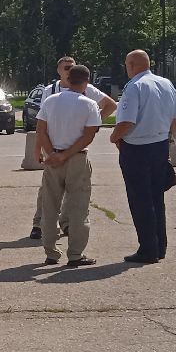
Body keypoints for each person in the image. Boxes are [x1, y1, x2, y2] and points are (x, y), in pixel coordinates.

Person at [30, 56, 118, 239]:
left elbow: (110, 105)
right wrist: (39, 149)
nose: (70, 70)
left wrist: (92, 123)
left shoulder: (88, 91)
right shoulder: (50, 91)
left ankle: (67, 223)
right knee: (47, 191)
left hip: (76, 147)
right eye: (66, 67)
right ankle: (39, 223)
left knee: (73, 190)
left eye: (72, 67)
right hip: (53, 148)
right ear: (59, 71)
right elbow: (41, 126)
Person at [110, 49, 176, 264]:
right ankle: (160, 246)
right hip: (159, 146)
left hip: (137, 148)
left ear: (131, 65)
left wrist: (114, 137)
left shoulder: (135, 87)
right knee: (156, 198)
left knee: (140, 200)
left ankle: (148, 248)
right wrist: (166, 137)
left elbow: (127, 122)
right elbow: (175, 117)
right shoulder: (165, 83)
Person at [34, 64, 102, 267]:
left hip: (52, 159)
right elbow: (88, 135)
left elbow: (41, 131)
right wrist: (67, 154)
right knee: (78, 207)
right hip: (77, 158)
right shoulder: (89, 104)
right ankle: (75, 254)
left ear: (68, 79)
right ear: (87, 82)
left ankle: (51, 253)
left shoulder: (51, 101)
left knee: (49, 206)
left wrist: (53, 153)